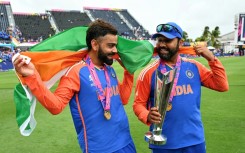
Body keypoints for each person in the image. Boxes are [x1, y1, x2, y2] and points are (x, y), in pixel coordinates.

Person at [13, 19, 136, 153]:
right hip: (99, 148)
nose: (115, 50)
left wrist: (129, 72)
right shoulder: (76, 72)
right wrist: (32, 76)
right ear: (95, 44)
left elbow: (122, 99)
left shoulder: (109, 70)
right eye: (110, 46)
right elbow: (56, 106)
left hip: (125, 141)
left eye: (115, 46)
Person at [133, 22, 229, 153]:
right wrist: (147, 116)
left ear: (180, 43)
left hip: (195, 140)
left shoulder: (194, 67)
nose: (162, 44)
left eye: (168, 40)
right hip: (164, 142)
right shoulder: (148, 73)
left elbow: (221, 85)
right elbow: (138, 104)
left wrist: (211, 58)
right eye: (159, 40)